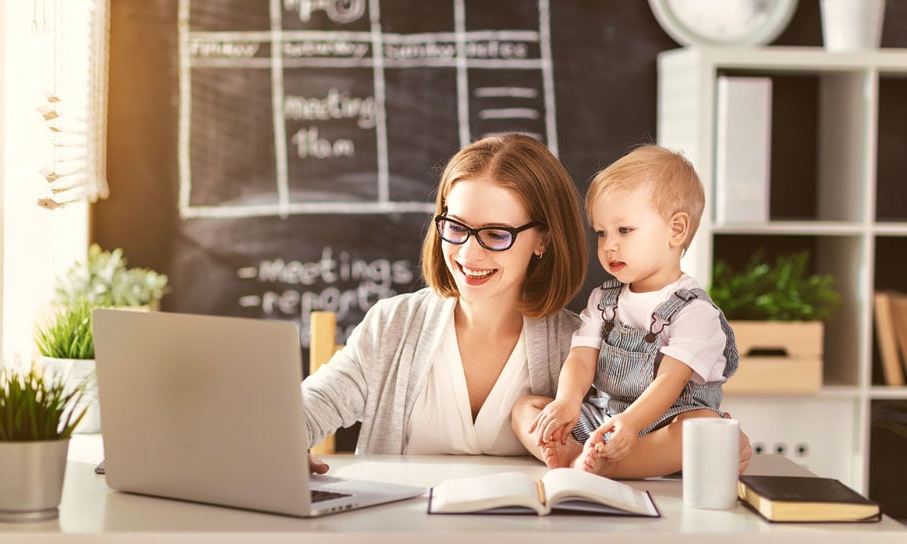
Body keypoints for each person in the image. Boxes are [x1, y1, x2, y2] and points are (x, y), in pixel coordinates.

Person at [303, 133, 589, 474]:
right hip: (400, 526)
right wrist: (282, 443)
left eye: (496, 235)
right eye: (455, 227)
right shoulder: (393, 324)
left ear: (544, 239)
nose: (468, 254)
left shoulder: (580, 348)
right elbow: (313, 405)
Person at [511, 144, 743, 479]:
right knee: (525, 409)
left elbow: (670, 380)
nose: (609, 246)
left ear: (675, 230)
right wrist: (567, 402)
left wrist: (631, 425)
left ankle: (609, 465)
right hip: (605, 418)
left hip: (661, 425)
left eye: (624, 230)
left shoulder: (695, 312)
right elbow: (581, 358)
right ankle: (578, 452)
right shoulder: (604, 300)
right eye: (601, 233)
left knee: (704, 426)